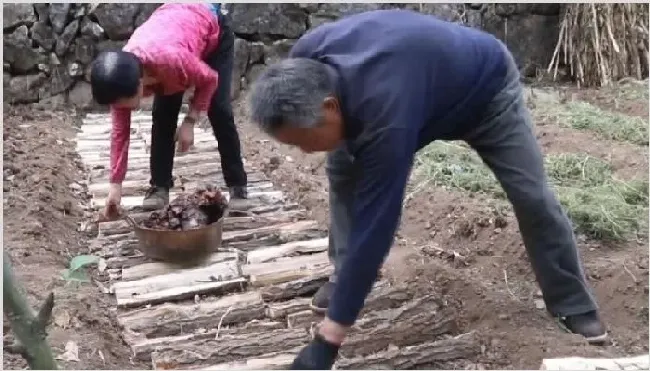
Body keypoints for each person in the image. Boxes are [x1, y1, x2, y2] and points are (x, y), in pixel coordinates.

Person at [248, 9, 608, 369]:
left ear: (329, 106)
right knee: (342, 173)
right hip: (414, 86)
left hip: (484, 93)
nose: (304, 151)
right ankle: (344, 277)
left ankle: (571, 302)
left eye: (304, 140)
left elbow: (378, 224)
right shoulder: (305, 62)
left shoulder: (385, 113)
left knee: (532, 195)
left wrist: (327, 341)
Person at [90, 3, 247, 220]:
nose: (123, 108)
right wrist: (115, 188)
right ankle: (159, 186)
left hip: (211, 32)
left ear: (139, 83)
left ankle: (238, 185)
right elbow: (120, 135)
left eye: (126, 102)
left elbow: (210, 79)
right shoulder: (119, 77)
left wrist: (190, 122)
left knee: (219, 110)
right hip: (174, 33)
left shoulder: (171, 61)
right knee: (163, 114)